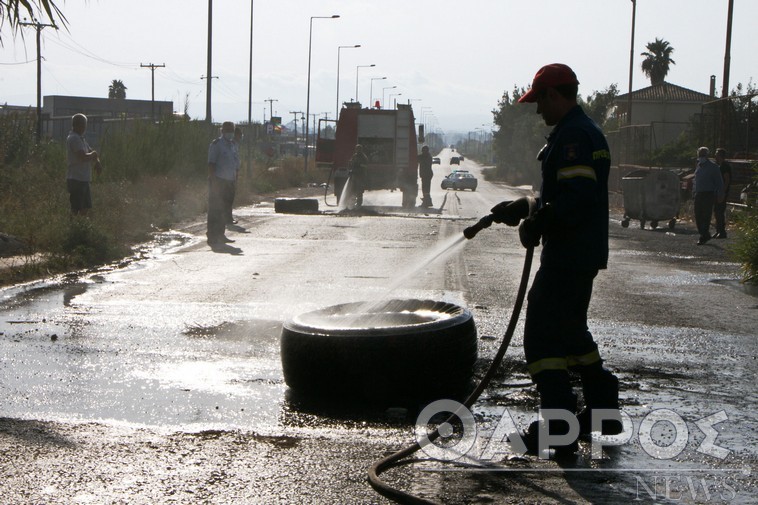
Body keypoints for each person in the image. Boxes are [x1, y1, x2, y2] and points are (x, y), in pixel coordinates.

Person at [489, 63, 621, 457]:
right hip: (580, 251)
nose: (537, 110)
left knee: (544, 334)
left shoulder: (575, 136)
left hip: (570, 252)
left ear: (553, 94)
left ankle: (558, 430)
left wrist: (539, 221)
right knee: (570, 332)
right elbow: (568, 193)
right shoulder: (580, 130)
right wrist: (525, 207)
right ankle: (602, 412)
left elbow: (577, 199)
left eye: (539, 101)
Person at [207, 121, 240, 246]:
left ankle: (221, 234)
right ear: (222, 131)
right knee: (215, 209)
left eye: (231, 130)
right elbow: (211, 164)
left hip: (230, 182)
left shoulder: (233, 145)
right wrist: (214, 182)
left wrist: (236, 179)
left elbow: (235, 164)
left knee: (225, 210)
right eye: (227, 130)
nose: (230, 133)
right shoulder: (216, 145)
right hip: (218, 181)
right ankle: (212, 235)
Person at [66, 113, 102, 216]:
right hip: (76, 178)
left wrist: (97, 161)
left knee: (85, 207)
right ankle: (72, 228)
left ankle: (80, 228)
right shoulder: (74, 139)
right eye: (84, 125)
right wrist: (93, 154)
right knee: (76, 208)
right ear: (78, 125)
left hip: (83, 178)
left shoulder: (81, 139)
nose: (85, 128)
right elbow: (83, 157)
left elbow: (91, 152)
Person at [693, 147, 723, 245]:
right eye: (700, 155)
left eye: (703, 155)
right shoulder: (698, 166)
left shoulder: (713, 167)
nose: (701, 157)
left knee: (706, 215)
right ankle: (704, 233)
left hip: (708, 194)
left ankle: (704, 235)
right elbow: (696, 181)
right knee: (698, 215)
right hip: (698, 194)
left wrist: (720, 194)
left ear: (707, 155)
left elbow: (719, 182)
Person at [712, 148, 732, 239]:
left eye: (716, 154)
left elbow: (727, 180)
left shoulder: (725, 166)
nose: (715, 156)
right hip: (717, 191)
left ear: (720, 155)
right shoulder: (718, 166)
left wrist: (723, 192)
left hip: (721, 192)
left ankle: (722, 231)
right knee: (717, 211)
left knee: (720, 211)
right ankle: (718, 230)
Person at [226, 126, 244, 225]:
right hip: (227, 174)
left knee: (231, 197)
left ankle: (228, 216)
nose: (240, 137)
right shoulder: (231, 145)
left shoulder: (235, 145)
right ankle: (227, 217)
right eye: (240, 135)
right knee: (228, 197)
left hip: (233, 173)